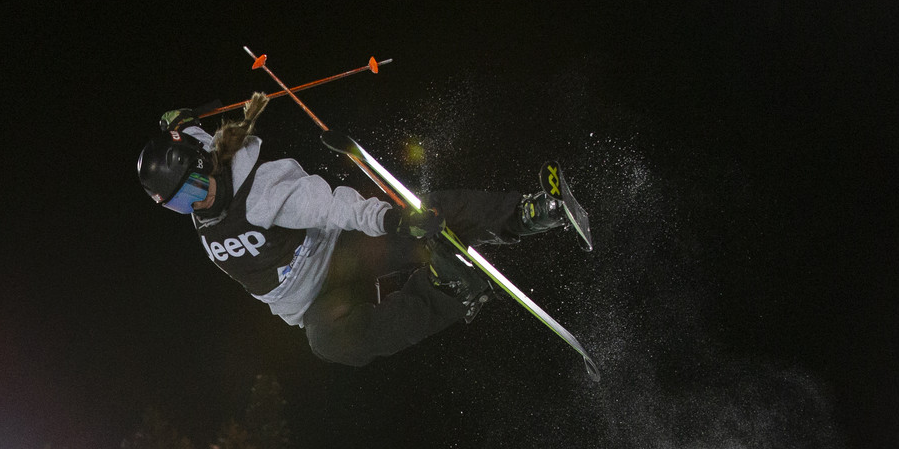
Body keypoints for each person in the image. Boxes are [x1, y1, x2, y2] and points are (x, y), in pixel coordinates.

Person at [136, 95, 590, 367]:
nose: (196, 202)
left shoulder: (262, 192)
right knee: (329, 344)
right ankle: (450, 288)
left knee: (422, 218)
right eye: (179, 202)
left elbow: (332, 206)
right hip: (318, 303)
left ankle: (531, 212)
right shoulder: (203, 179)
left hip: (344, 252)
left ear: (203, 166)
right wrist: (181, 125)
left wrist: (391, 220)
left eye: (194, 188)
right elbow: (199, 141)